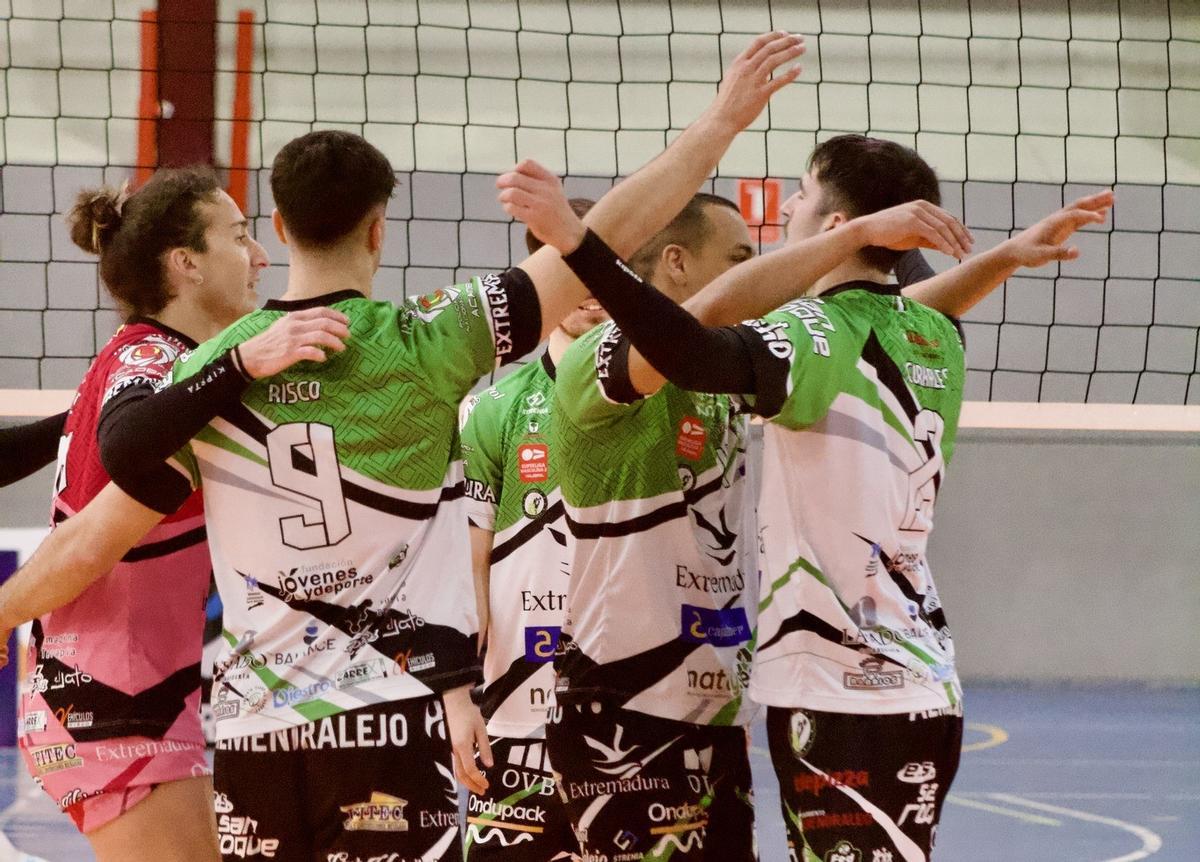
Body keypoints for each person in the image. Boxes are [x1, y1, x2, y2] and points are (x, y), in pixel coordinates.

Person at [0, 31, 810, 862]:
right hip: (386, 719)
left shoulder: (209, 372)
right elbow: (598, 239)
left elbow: (105, 507)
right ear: (380, 230)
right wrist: (719, 123)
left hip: (253, 731)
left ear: (278, 226)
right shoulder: (431, 339)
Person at [510, 133, 1112, 861]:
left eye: (801, 191)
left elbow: (692, 346)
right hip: (919, 682)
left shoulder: (811, 333)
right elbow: (892, 313)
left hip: (838, 691)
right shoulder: (935, 338)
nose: (786, 206)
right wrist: (1005, 257)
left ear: (835, 225)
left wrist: (577, 244)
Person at [0, 167, 349, 862]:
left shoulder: (163, 370)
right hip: (111, 704)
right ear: (186, 264)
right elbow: (85, 548)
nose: (260, 257)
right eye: (240, 236)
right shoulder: (158, 367)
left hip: (137, 697)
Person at [459, 198, 602, 861]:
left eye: (602, 271)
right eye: (567, 273)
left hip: (631, 713)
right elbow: (470, 564)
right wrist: (463, 695)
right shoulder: (494, 407)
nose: (590, 293)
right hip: (519, 713)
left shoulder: (666, 392)